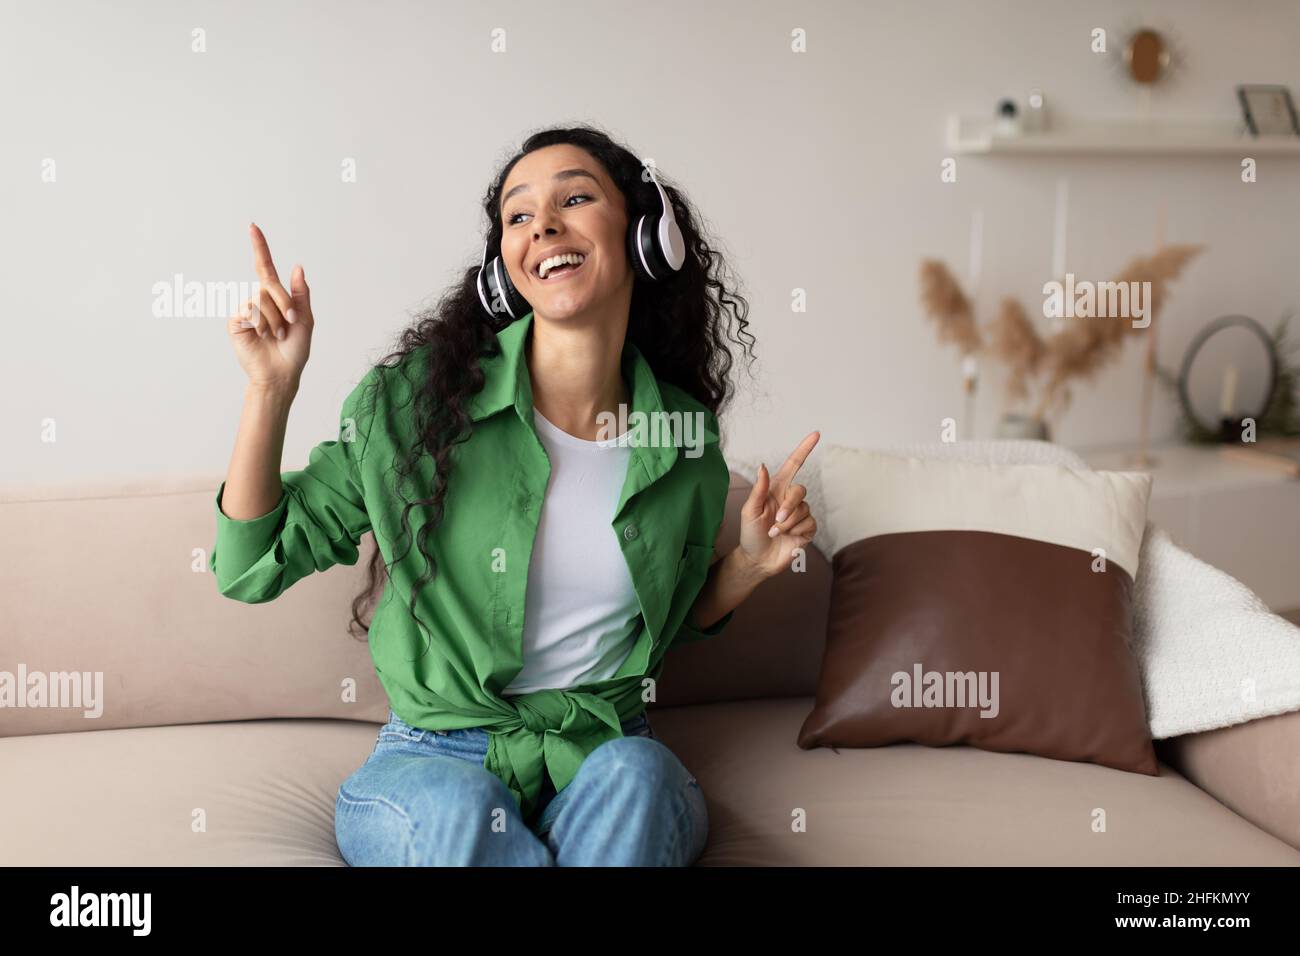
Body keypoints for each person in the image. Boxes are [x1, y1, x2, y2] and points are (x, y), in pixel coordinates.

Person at [212, 124, 819, 866]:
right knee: (461, 813)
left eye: (575, 198)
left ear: (644, 233)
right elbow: (251, 565)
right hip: (435, 759)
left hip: (602, 751)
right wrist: (271, 388)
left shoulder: (683, 437)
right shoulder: (413, 408)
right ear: (504, 268)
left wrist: (752, 565)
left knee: (642, 778)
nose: (544, 227)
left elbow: (662, 621)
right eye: (518, 216)